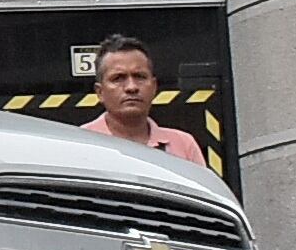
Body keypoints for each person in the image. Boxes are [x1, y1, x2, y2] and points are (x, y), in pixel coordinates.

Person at [83, 36, 205, 167]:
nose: (131, 87)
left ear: (154, 86)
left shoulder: (183, 145)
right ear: (99, 92)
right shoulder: (80, 144)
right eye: (118, 78)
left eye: (139, 76)